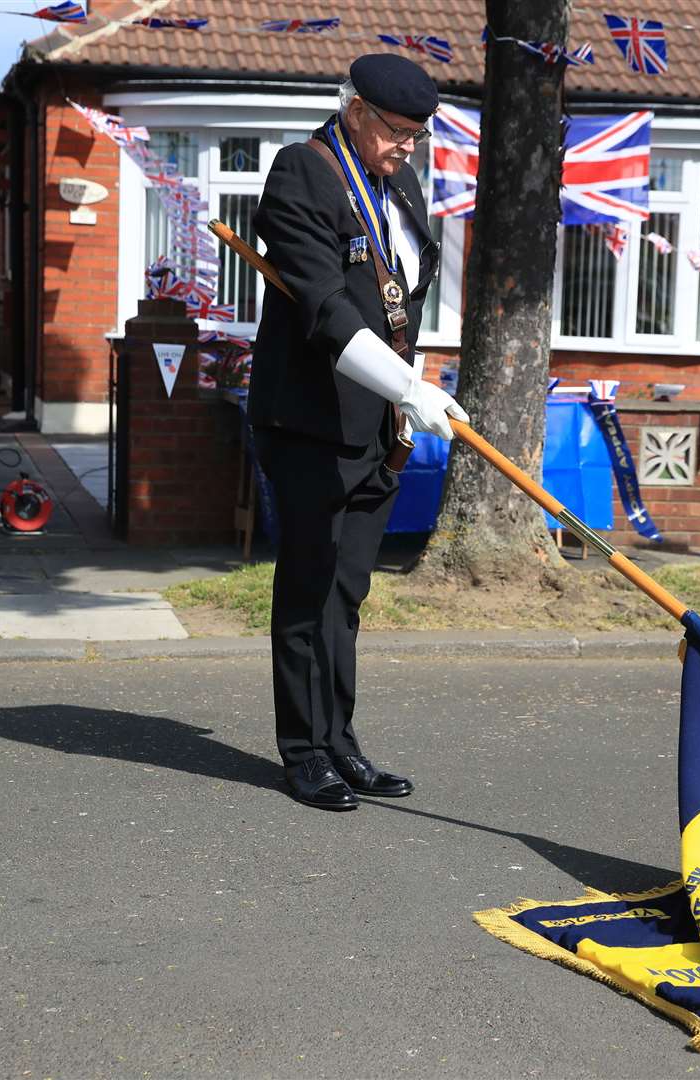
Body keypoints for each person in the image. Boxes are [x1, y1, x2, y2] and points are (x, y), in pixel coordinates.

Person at [248, 53, 469, 811]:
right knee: (307, 590)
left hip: (378, 420)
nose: (410, 147)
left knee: (347, 594)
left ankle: (340, 742)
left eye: (419, 135)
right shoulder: (301, 174)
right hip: (311, 420)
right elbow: (325, 310)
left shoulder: (398, 182)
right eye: (399, 132)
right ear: (355, 111)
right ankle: (303, 751)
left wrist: (411, 392)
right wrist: (411, 387)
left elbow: (399, 296)